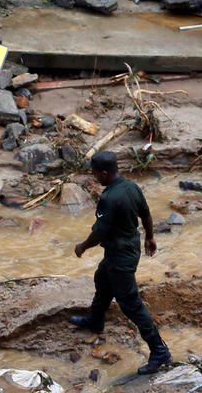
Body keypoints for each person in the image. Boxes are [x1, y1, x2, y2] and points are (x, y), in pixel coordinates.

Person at [71, 150, 172, 375]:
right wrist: (150, 236)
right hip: (127, 249)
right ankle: (96, 320)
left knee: (130, 303)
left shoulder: (109, 198)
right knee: (102, 279)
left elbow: (100, 232)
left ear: (105, 173)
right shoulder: (132, 187)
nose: (94, 177)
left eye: (95, 173)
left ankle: (159, 350)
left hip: (121, 255)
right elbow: (145, 214)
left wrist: (82, 246)